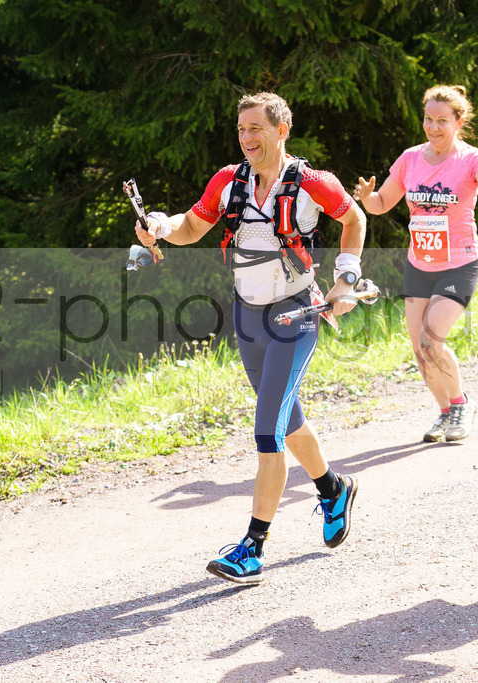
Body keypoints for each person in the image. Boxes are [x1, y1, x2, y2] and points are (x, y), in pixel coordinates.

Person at [134, 92, 367, 584]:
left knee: (268, 431)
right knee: (286, 416)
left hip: (295, 317)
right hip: (247, 318)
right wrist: (159, 224)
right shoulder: (228, 180)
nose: (246, 138)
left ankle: (252, 548)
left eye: (255, 129)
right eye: (241, 130)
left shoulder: (313, 183)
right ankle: (333, 489)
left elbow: (355, 219)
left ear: (282, 130)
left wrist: (346, 278)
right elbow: (190, 226)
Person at [353, 85, 478, 443]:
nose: (433, 127)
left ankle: (461, 404)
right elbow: (381, 204)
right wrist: (367, 198)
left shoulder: (472, 158)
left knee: (431, 341)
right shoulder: (410, 158)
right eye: (428, 119)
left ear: (459, 123)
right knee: (420, 352)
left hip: (458, 264)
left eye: (442, 121)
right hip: (419, 264)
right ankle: (445, 413)